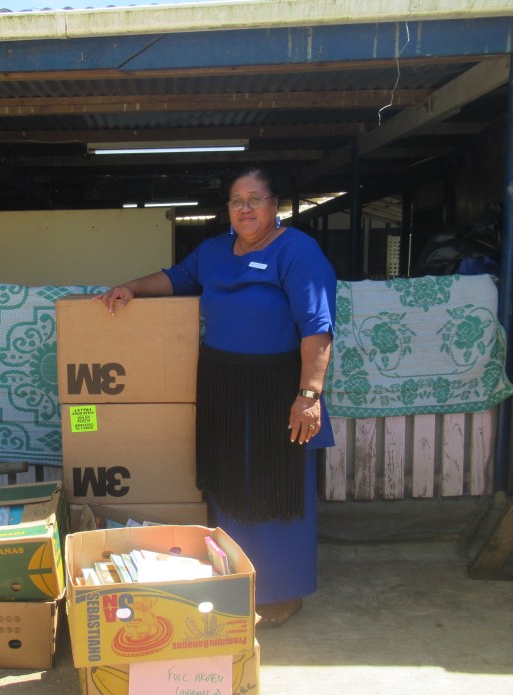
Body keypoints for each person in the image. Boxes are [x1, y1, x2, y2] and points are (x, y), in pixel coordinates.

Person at [97, 165, 336, 627]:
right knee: (229, 482)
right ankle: (234, 581)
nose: (245, 208)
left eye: (255, 199)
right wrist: (131, 288)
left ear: (274, 206)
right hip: (223, 384)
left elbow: (317, 329)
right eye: (236, 201)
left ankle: (280, 591)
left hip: (278, 388)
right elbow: (175, 279)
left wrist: (309, 395)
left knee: (276, 487)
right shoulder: (213, 253)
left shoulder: (298, 252)